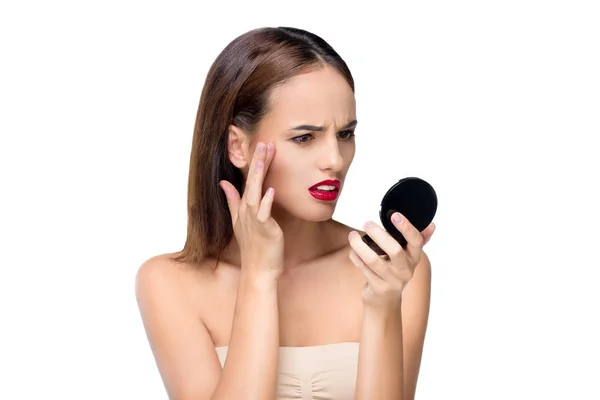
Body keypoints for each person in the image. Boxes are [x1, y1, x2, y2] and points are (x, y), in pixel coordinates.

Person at [135, 26, 436, 400]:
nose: (334, 160)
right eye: (304, 137)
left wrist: (382, 303)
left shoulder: (393, 269)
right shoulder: (168, 282)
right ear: (238, 146)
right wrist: (259, 278)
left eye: (345, 134)